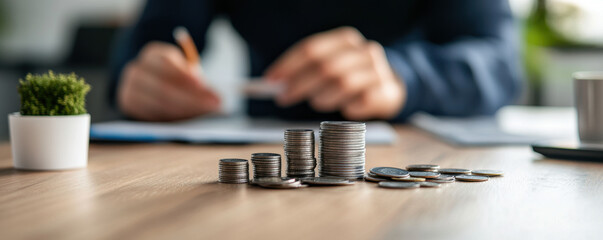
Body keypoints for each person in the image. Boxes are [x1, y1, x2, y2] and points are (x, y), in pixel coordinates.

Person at [110, 0, 522, 122]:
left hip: (411, 142)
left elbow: (500, 59)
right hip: (263, 146)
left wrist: (403, 77)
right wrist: (141, 75)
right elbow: (155, 37)